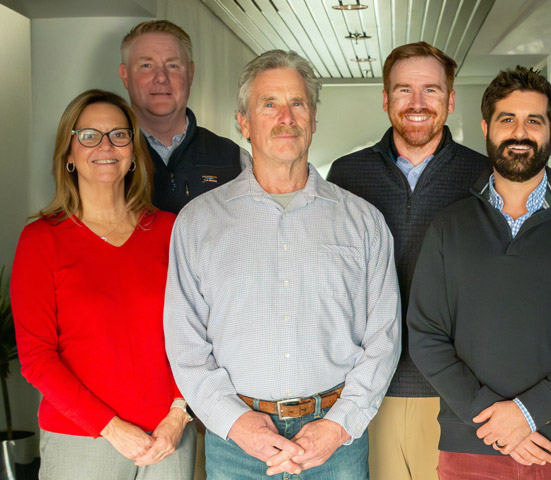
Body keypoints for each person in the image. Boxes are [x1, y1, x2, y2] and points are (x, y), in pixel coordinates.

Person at [163, 50, 400, 480]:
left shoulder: (363, 222)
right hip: (237, 446)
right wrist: (235, 423)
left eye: (298, 103)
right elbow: (185, 344)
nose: (285, 117)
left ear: (313, 119)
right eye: (269, 104)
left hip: (336, 444)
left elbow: (384, 339)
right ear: (244, 122)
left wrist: (337, 426)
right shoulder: (199, 222)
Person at [407, 66, 551, 479]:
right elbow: (426, 337)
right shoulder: (448, 226)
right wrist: (495, 420)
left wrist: (530, 412)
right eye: (507, 119)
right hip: (472, 445)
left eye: (534, 120)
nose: (520, 132)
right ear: (486, 127)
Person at [325, 41, 490, 480]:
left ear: (451, 100)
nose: (417, 104)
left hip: (456, 391)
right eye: (403, 90)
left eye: (431, 91)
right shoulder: (345, 175)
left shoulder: (485, 176)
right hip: (365, 390)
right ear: (385, 99)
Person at [11, 89, 194, 479]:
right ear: (69, 154)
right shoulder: (42, 239)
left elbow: (197, 330)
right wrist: (112, 427)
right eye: (89, 135)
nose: (106, 146)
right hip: (82, 439)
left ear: (133, 152)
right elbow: (36, 359)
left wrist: (179, 414)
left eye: (119, 134)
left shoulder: (169, 231)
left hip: (169, 435)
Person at [119, 20, 249, 213]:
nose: (161, 77)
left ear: (190, 73)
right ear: (125, 75)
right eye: (146, 65)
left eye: (172, 65)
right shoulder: (105, 156)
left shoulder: (233, 159)